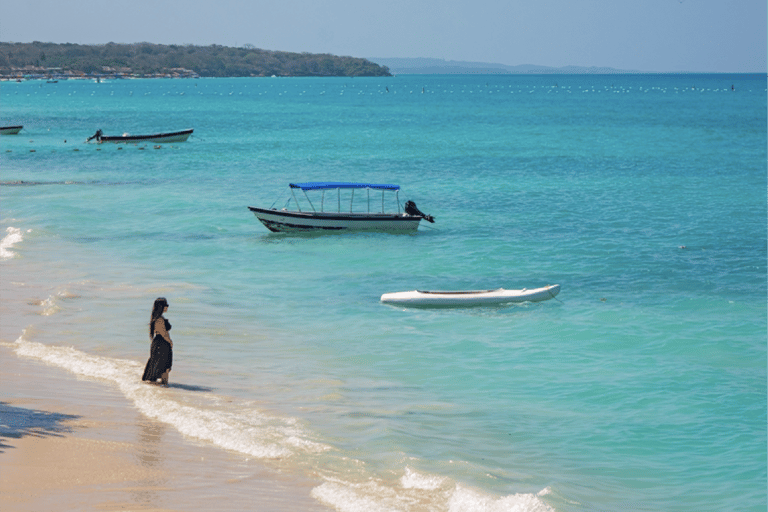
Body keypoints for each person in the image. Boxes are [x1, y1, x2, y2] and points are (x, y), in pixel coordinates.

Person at [142, 297, 173, 386]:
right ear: (161, 307)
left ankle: (161, 386)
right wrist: (170, 342)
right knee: (164, 366)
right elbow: (164, 333)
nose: (167, 307)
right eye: (166, 305)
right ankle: (164, 387)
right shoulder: (159, 319)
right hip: (162, 344)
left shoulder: (157, 318)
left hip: (159, 344)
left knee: (159, 365)